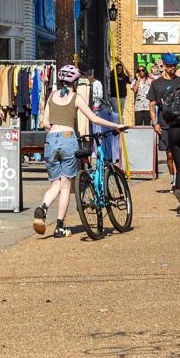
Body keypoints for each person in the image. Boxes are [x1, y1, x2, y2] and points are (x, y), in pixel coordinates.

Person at [32, 64, 123, 237]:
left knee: (55, 184)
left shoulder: (52, 95)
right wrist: (116, 125)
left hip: (51, 140)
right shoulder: (76, 97)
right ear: (75, 82)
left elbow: (44, 122)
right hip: (68, 139)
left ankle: (42, 207)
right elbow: (94, 117)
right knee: (66, 186)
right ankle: (59, 226)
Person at [147, 59, 180, 209]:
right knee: (171, 156)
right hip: (164, 124)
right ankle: (175, 183)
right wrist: (154, 123)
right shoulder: (156, 84)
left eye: (175, 66)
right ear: (164, 66)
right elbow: (152, 105)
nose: (173, 68)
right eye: (170, 66)